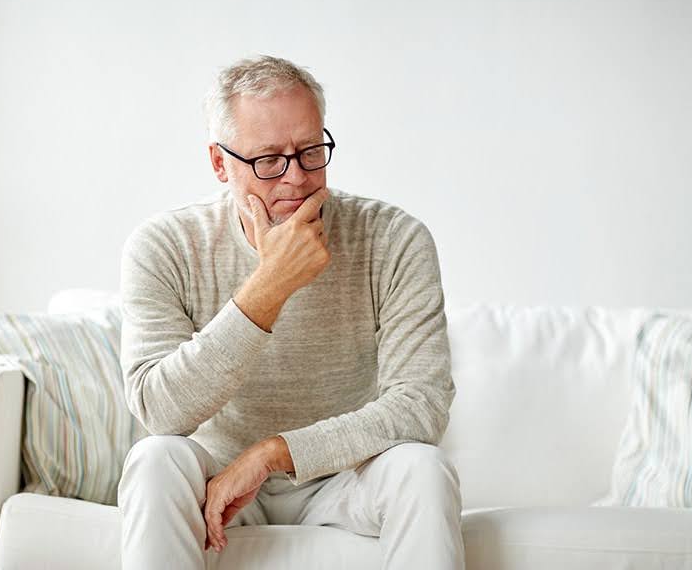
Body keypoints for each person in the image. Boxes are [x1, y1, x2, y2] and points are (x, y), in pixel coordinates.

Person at [117, 54, 464, 569]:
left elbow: (421, 404)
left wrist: (275, 453)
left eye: (310, 151)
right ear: (220, 163)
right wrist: (270, 285)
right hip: (218, 480)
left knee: (423, 468)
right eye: (268, 160)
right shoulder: (165, 245)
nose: (296, 178)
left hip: (347, 478)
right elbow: (158, 410)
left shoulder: (394, 238)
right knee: (154, 459)